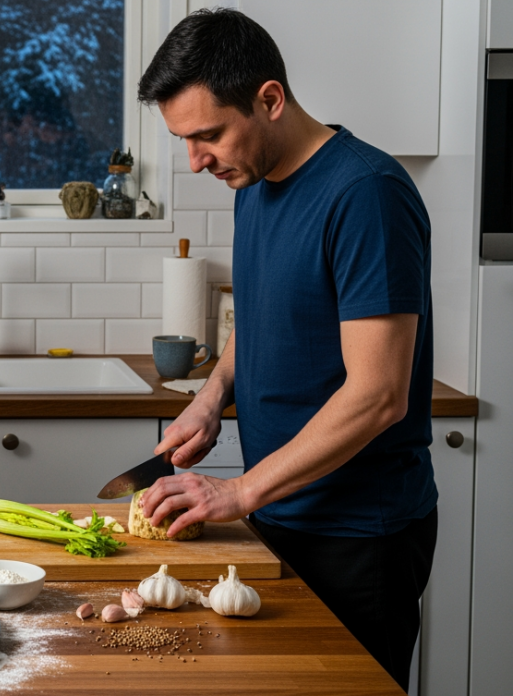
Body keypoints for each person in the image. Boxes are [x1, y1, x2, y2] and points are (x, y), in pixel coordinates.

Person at [134, 8, 436, 690]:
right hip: (277, 515)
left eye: (208, 135)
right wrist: (212, 399)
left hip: (360, 536)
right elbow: (265, 316)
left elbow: (378, 394)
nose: (196, 160)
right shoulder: (254, 181)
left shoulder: (365, 195)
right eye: (184, 140)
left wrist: (238, 490)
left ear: (270, 99)